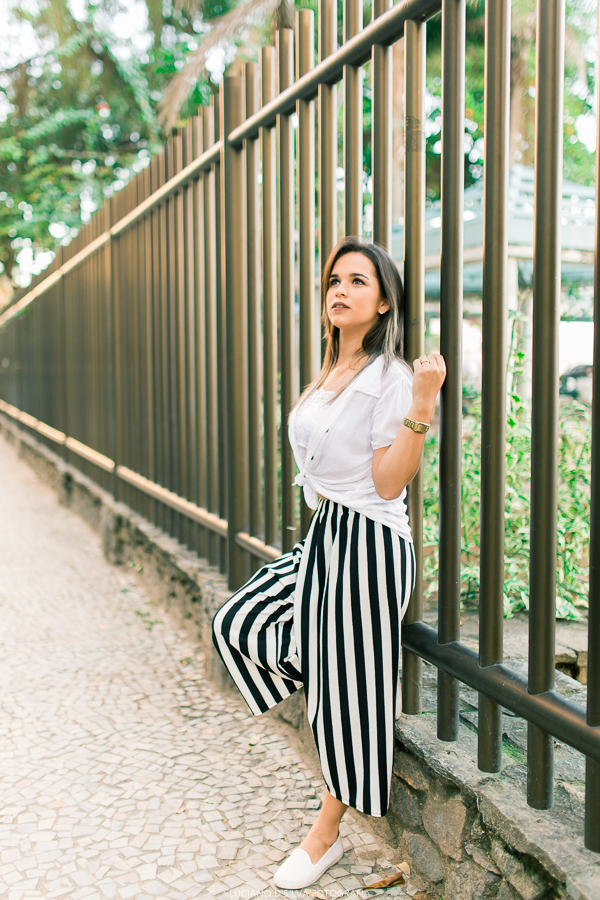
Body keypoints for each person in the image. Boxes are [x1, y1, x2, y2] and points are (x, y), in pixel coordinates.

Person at [212, 236, 446, 890]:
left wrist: (421, 407)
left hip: (369, 545)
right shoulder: (331, 372)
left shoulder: (390, 378)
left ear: (383, 301)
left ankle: (325, 837)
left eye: (358, 281)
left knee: (348, 699)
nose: (341, 290)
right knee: (239, 621)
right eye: (334, 281)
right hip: (326, 537)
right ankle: (330, 673)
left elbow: (390, 480)